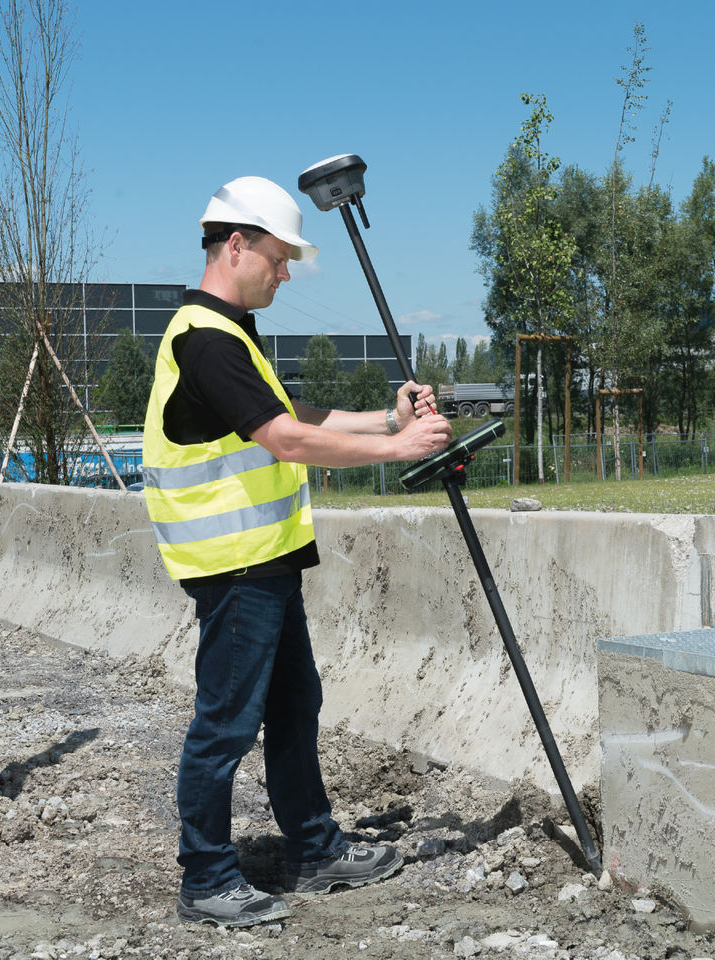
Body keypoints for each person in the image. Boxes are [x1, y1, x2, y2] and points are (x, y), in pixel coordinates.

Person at [141, 175, 452, 928]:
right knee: (225, 724)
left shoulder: (231, 332)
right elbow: (285, 438)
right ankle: (206, 879)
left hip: (267, 560)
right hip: (235, 566)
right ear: (236, 244)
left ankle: (313, 848)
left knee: (292, 705)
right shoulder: (205, 338)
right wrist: (402, 448)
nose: (286, 274)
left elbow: (290, 412)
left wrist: (386, 420)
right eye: (279, 259)